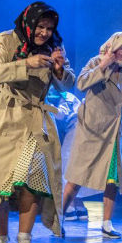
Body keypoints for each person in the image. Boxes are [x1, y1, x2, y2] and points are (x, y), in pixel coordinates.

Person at [0, 2, 75, 243]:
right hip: (3, 119)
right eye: (40, 26)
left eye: (49, 28)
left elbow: (68, 83)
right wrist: (26, 63)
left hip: (33, 123)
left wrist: (59, 70)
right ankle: (0, 240)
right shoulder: (7, 40)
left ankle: (25, 239)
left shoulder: (54, 46)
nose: (45, 32)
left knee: (32, 182)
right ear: (29, 22)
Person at [62, 32, 122, 238]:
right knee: (77, 177)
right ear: (113, 48)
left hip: (114, 131)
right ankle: (59, 217)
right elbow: (81, 84)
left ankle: (107, 224)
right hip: (92, 129)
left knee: (112, 180)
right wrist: (104, 65)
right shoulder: (96, 61)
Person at [44, 87, 87, 220]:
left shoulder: (66, 97)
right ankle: (80, 207)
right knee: (74, 170)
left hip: (75, 132)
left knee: (66, 169)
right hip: (78, 132)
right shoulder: (66, 96)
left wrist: (44, 106)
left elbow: (61, 114)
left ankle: (69, 207)